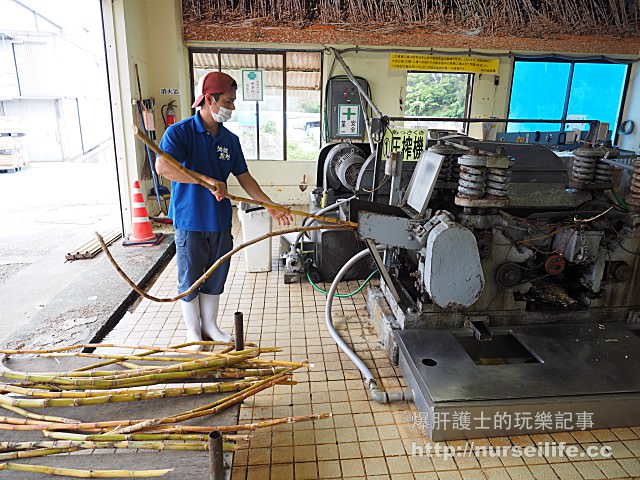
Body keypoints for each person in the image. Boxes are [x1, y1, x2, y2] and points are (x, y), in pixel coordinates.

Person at [156, 71, 293, 350]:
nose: (232, 107)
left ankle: (210, 325)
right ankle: (193, 331)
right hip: (190, 220)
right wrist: (205, 180)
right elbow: (164, 167)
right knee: (191, 276)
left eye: (233, 101)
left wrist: (271, 206)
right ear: (209, 99)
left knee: (217, 274)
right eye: (228, 102)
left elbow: (244, 177)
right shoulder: (180, 133)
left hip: (219, 221)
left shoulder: (229, 141)